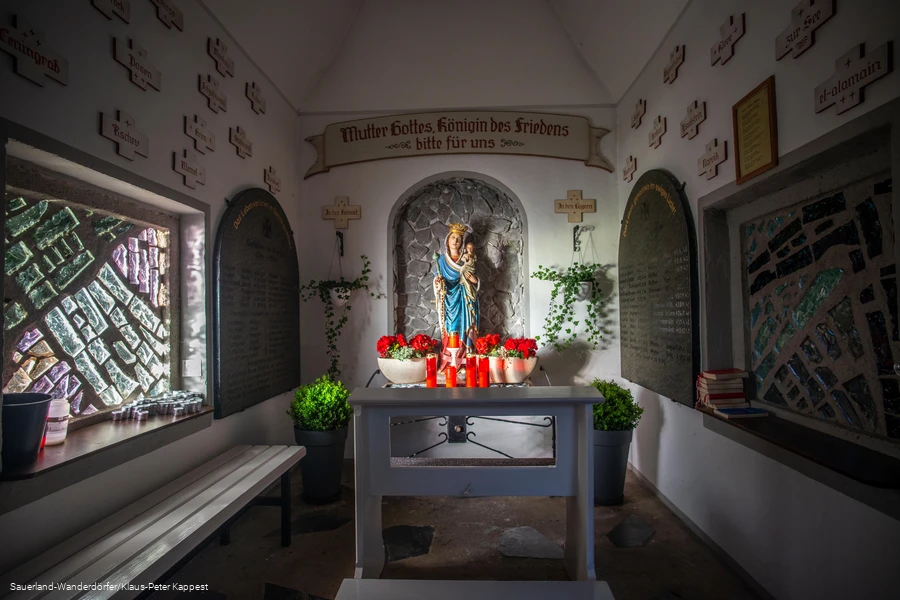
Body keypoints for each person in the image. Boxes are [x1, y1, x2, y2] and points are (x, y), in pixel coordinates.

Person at [433, 223, 479, 370]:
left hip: (465, 298)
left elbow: (474, 279)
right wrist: (439, 282)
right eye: (453, 237)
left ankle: (466, 361)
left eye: (459, 238)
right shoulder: (441, 260)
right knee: (451, 327)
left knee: (466, 326)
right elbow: (437, 279)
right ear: (447, 240)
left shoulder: (467, 259)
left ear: (462, 243)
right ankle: (450, 363)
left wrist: (474, 280)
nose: (455, 241)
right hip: (449, 300)